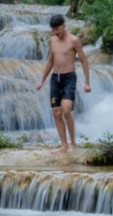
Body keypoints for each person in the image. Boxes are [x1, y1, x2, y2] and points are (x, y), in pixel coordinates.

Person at [35, 14, 91, 151]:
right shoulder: (53, 41)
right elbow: (50, 61)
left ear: (64, 26)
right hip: (55, 78)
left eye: (57, 29)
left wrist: (87, 82)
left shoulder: (74, 40)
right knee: (56, 112)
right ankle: (63, 144)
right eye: (53, 30)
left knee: (66, 110)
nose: (56, 32)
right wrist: (42, 80)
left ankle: (72, 143)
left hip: (69, 78)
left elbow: (83, 60)